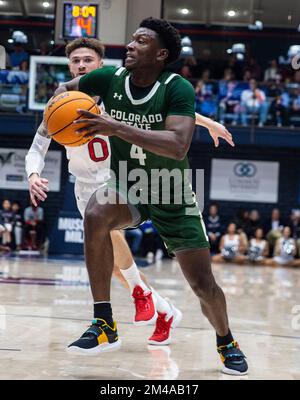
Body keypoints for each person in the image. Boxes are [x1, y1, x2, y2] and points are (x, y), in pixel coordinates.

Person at [55, 17, 247, 375]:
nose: (129, 45)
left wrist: (114, 126)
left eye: (140, 41)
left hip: (170, 191)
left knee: (204, 286)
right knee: (95, 213)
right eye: (131, 39)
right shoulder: (108, 79)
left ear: (160, 54)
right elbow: (65, 87)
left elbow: (177, 146)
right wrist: (61, 117)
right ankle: (104, 323)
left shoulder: (177, 88)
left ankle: (226, 340)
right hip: (127, 183)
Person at [25, 37, 182, 344]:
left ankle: (138, 295)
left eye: (87, 60)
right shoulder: (60, 101)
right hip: (83, 185)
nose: (81, 65)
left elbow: (172, 111)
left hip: (116, 179)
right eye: (75, 61)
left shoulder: (120, 92)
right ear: (69, 66)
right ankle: (163, 309)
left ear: (100, 65)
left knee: (110, 236)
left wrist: (206, 123)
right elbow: (37, 147)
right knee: (111, 269)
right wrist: (33, 174)